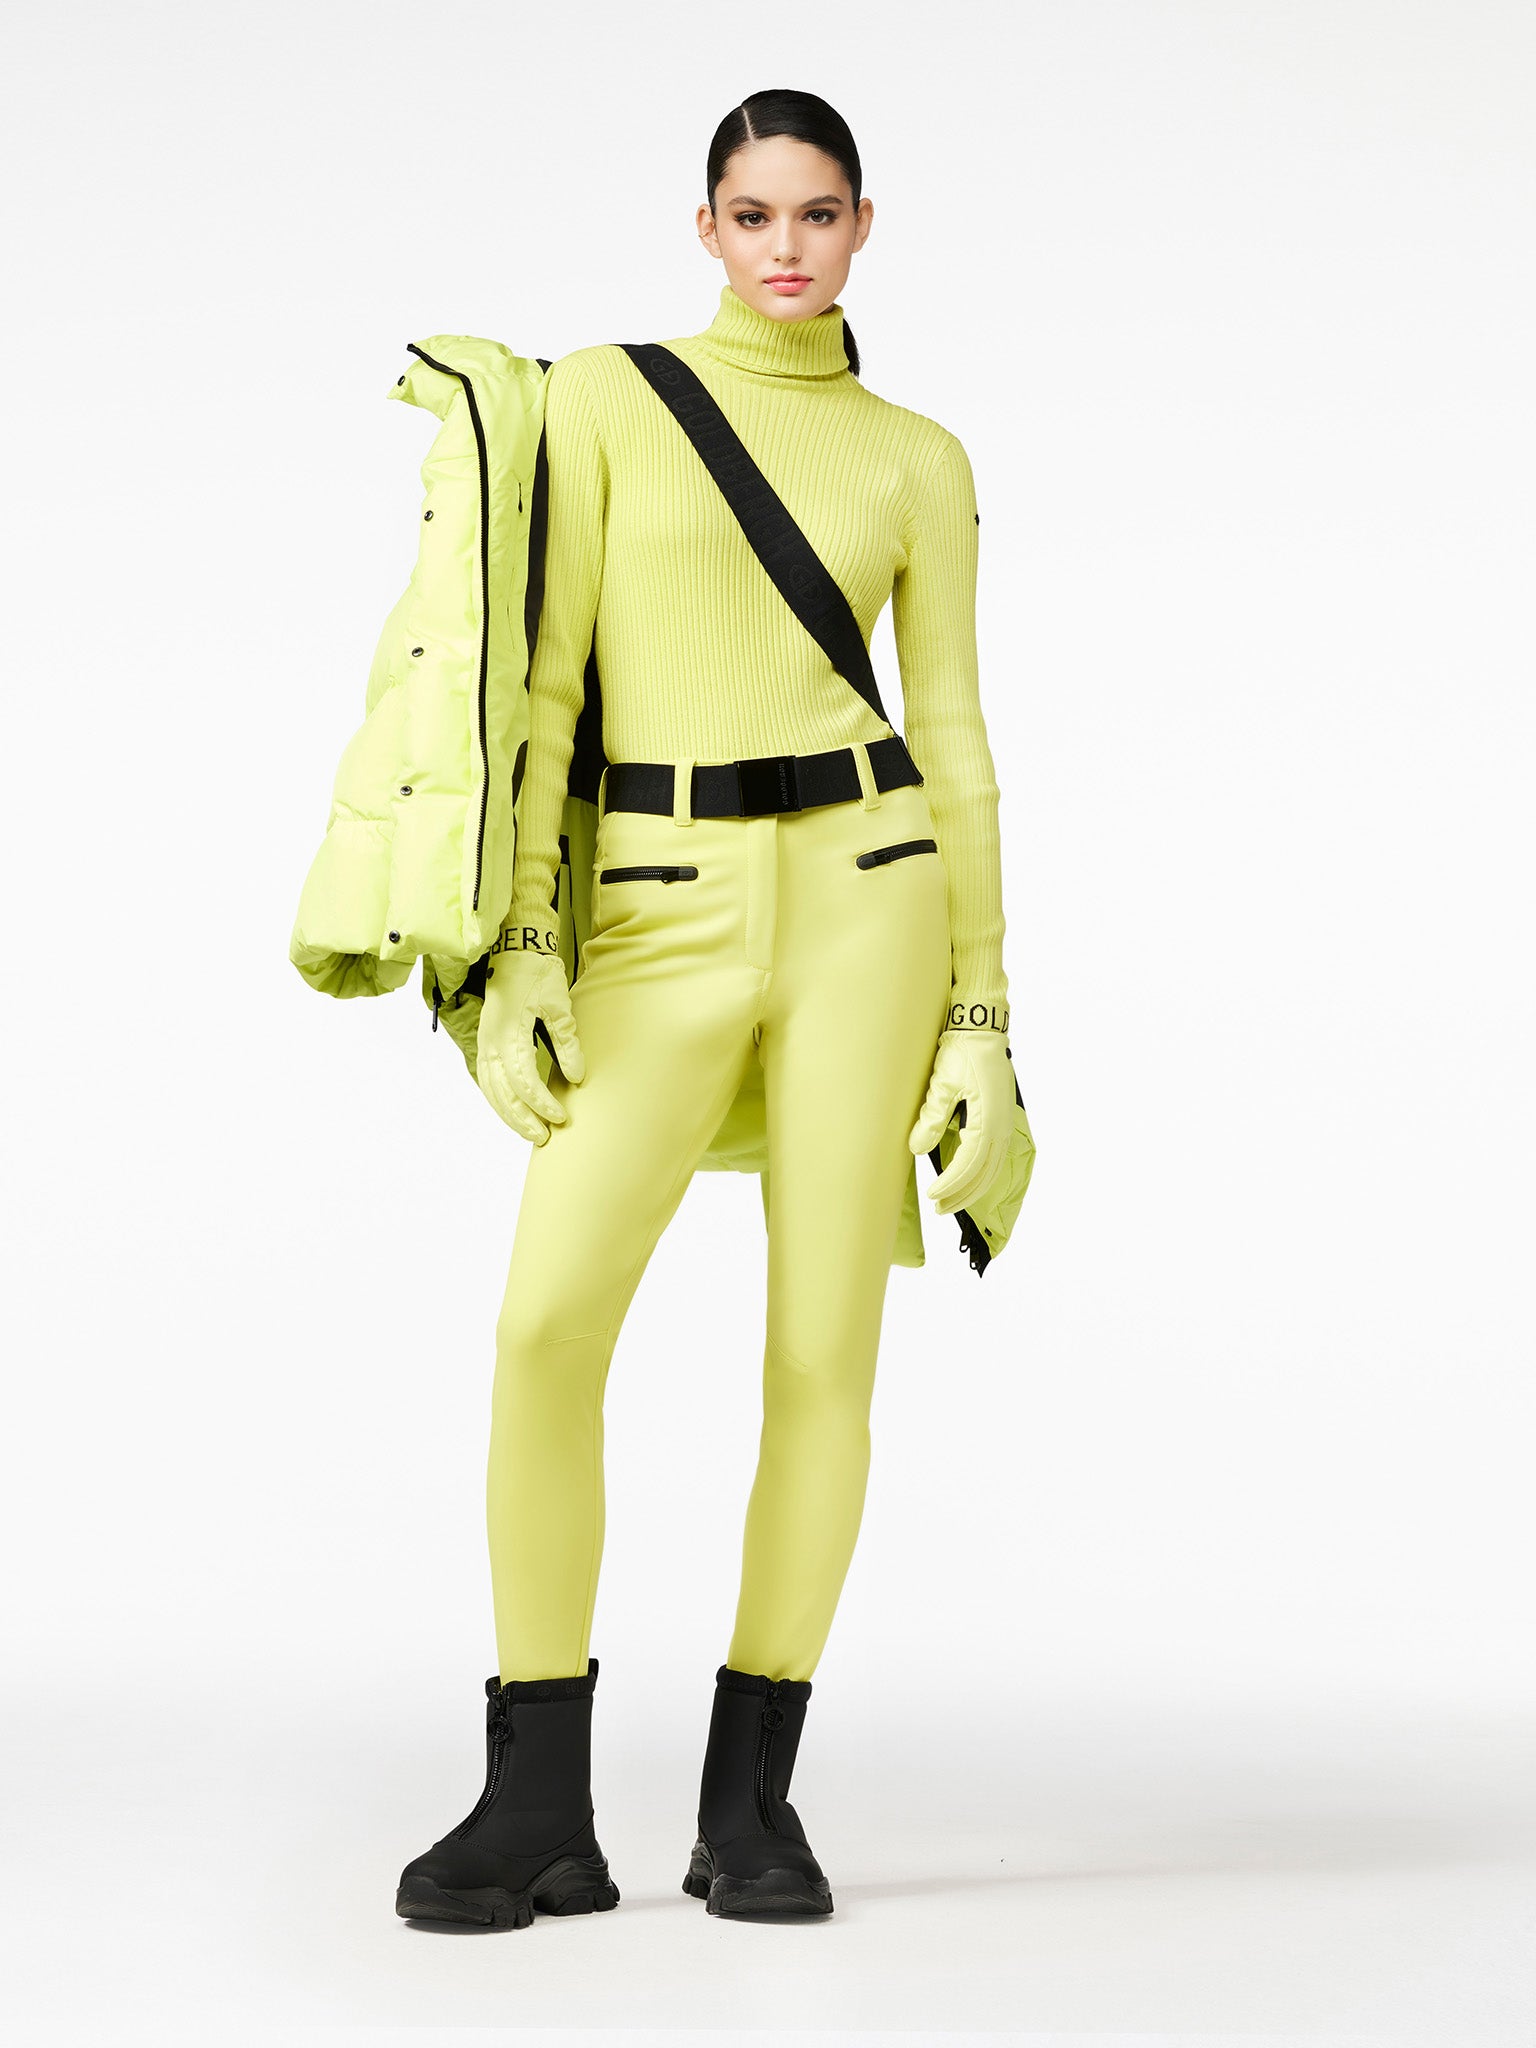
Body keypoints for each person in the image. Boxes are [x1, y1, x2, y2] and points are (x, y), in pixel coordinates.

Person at [395, 86, 1018, 1929]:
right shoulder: (606, 400)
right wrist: (522, 944)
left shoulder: (917, 458)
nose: (787, 248)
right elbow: (542, 687)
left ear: (863, 225)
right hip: (653, 908)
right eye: (755, 215)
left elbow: (956, 734)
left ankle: (752, 1809)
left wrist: (985, 1014)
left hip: (870, 902)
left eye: (818, 214)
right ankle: (537, 1806)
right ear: (707, 228)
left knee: (823, 1351)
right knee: (544, 1327)